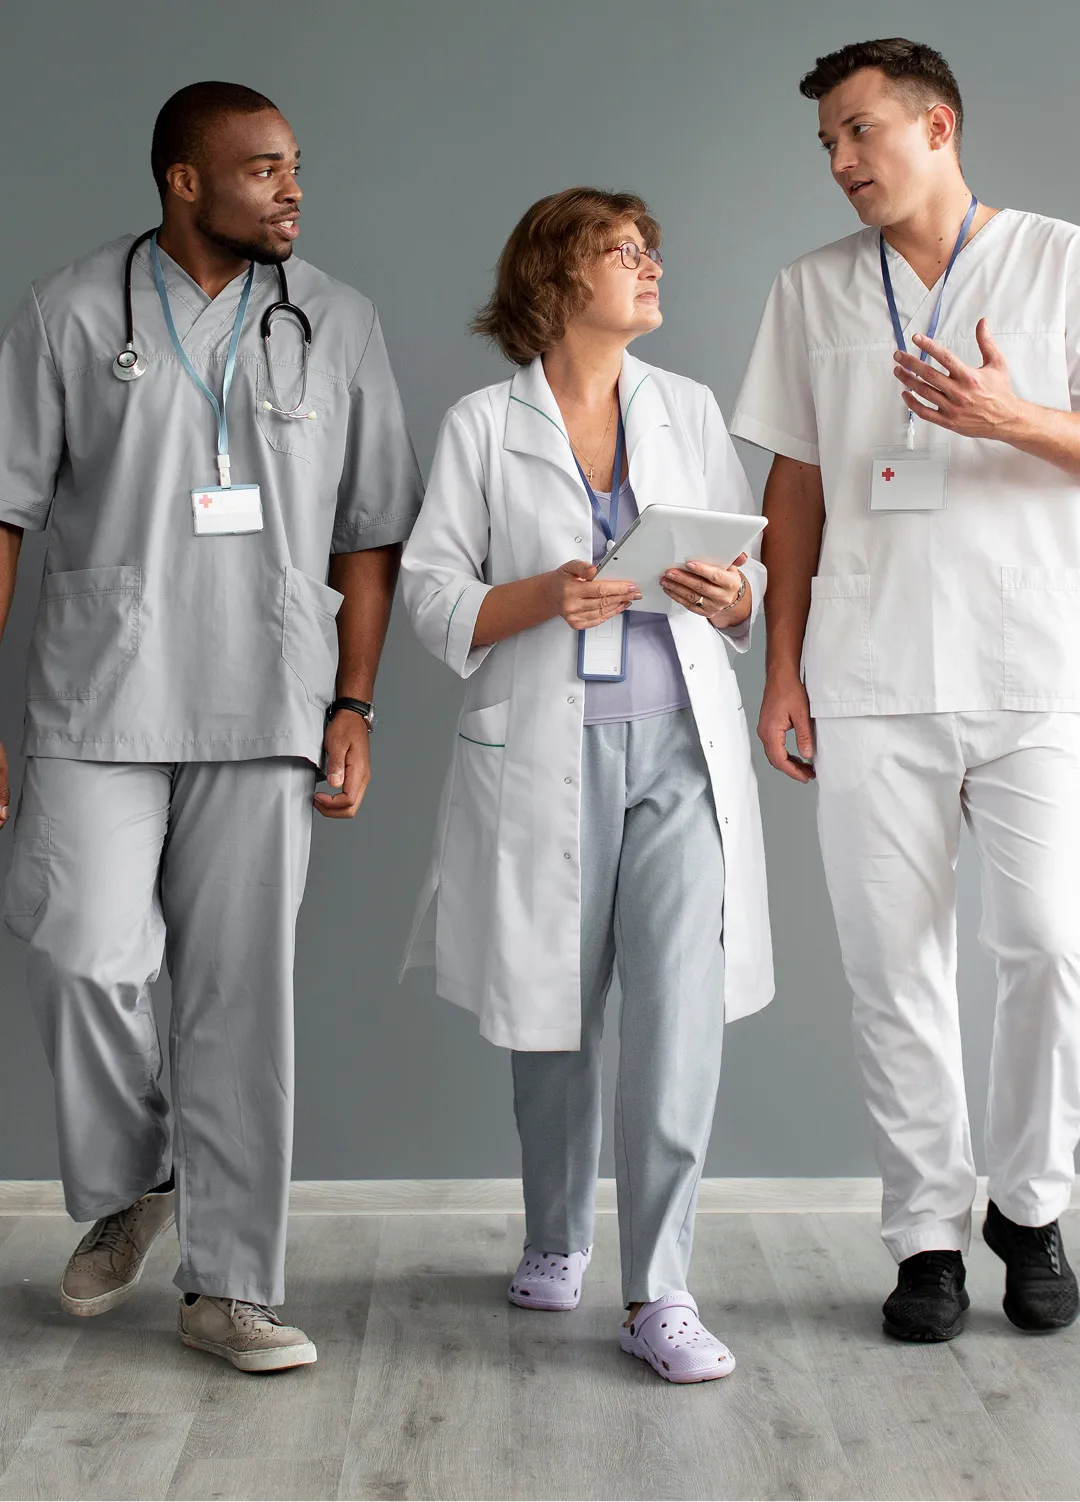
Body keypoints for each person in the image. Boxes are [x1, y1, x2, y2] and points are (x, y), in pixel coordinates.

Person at [0, 81, 422, 1371]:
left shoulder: (338, 321)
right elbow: (6, 512)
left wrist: (354, 702)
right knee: (78, 946)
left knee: (243, 1001)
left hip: (270, 693)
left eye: (295, 164)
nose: (292, 188)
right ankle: (140, 1174)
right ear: (184, 181)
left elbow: (369, 531)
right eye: (261, 169)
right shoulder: (72, 312)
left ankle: (230, 1285)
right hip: (101, 689)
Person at [731, 38, 1080, 1342]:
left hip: (1038, 666)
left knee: (1049, 945)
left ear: (939, 125)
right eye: (825, 142)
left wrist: (1017, 420)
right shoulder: (813, 289)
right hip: (869, 677)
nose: (840, 160)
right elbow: (798, 485)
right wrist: (781, 665)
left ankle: (1032, 1204)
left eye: (860, 130)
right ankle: (927, 1230)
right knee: (893, 969)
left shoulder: (1062, 260)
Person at [400, 188, 773, 1383]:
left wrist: (737, 598)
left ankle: (659, 1287)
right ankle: (555, 1231)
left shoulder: (690, 407)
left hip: (678, 746)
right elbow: (433, 595)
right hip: (546, 754)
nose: (652, 266)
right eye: (626, 251)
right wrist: (543, 595)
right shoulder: (479, 425)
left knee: (675, 1018)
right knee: (549, 1015)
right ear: (559, 280)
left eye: (652, 247)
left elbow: (744, 570)